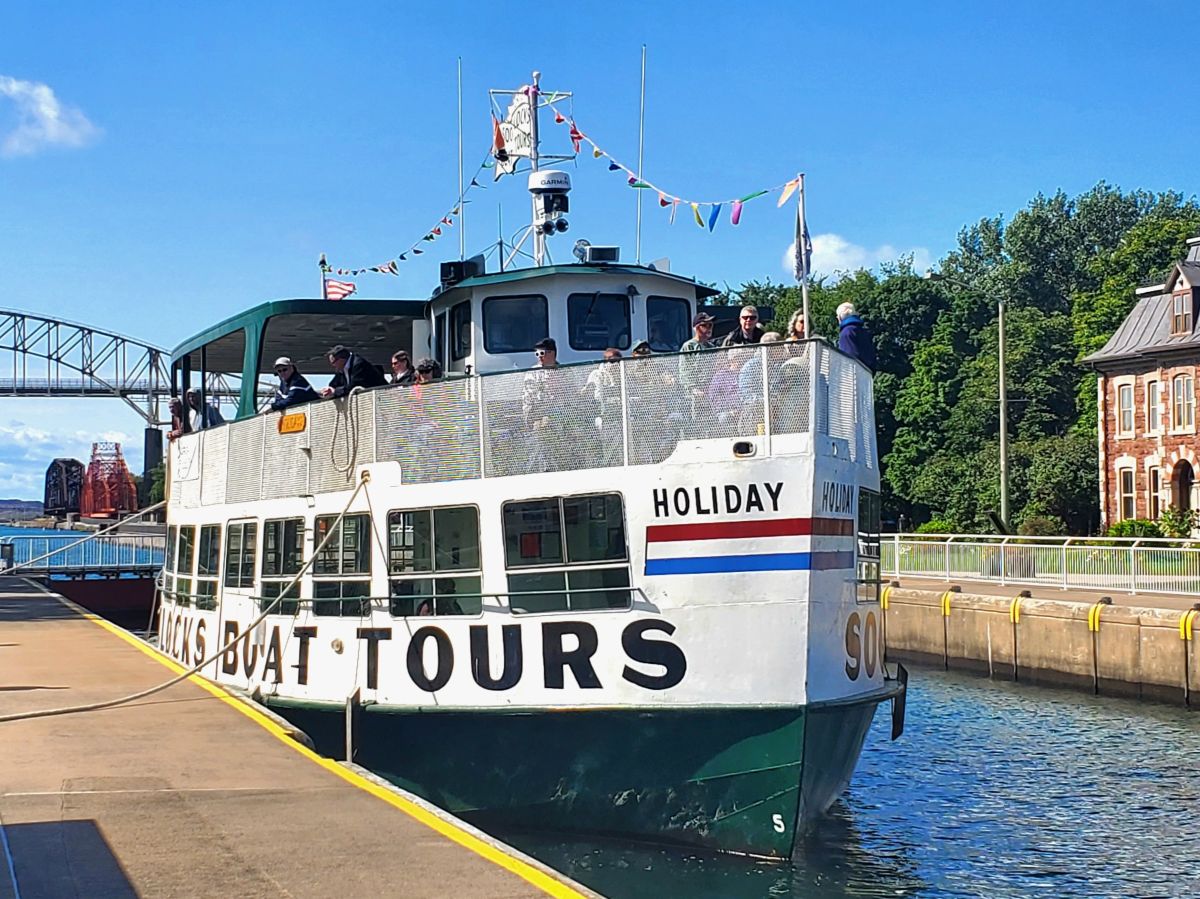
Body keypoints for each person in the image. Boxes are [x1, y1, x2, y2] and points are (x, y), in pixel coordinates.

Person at [320, 344, 387, 399]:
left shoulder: (359, 364)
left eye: (333, 362)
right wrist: (329, 390)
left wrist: (335, 391)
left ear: (341, 359)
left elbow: (353, 386)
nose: (333, 366)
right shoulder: (341, 368)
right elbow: (333, 384)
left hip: (380, 398)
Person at [836, 302, 876, 370]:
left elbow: (848, 358)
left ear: (840, 317)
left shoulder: (846, 333)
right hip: (867, 374)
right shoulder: (864, 331)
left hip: (853, 376)